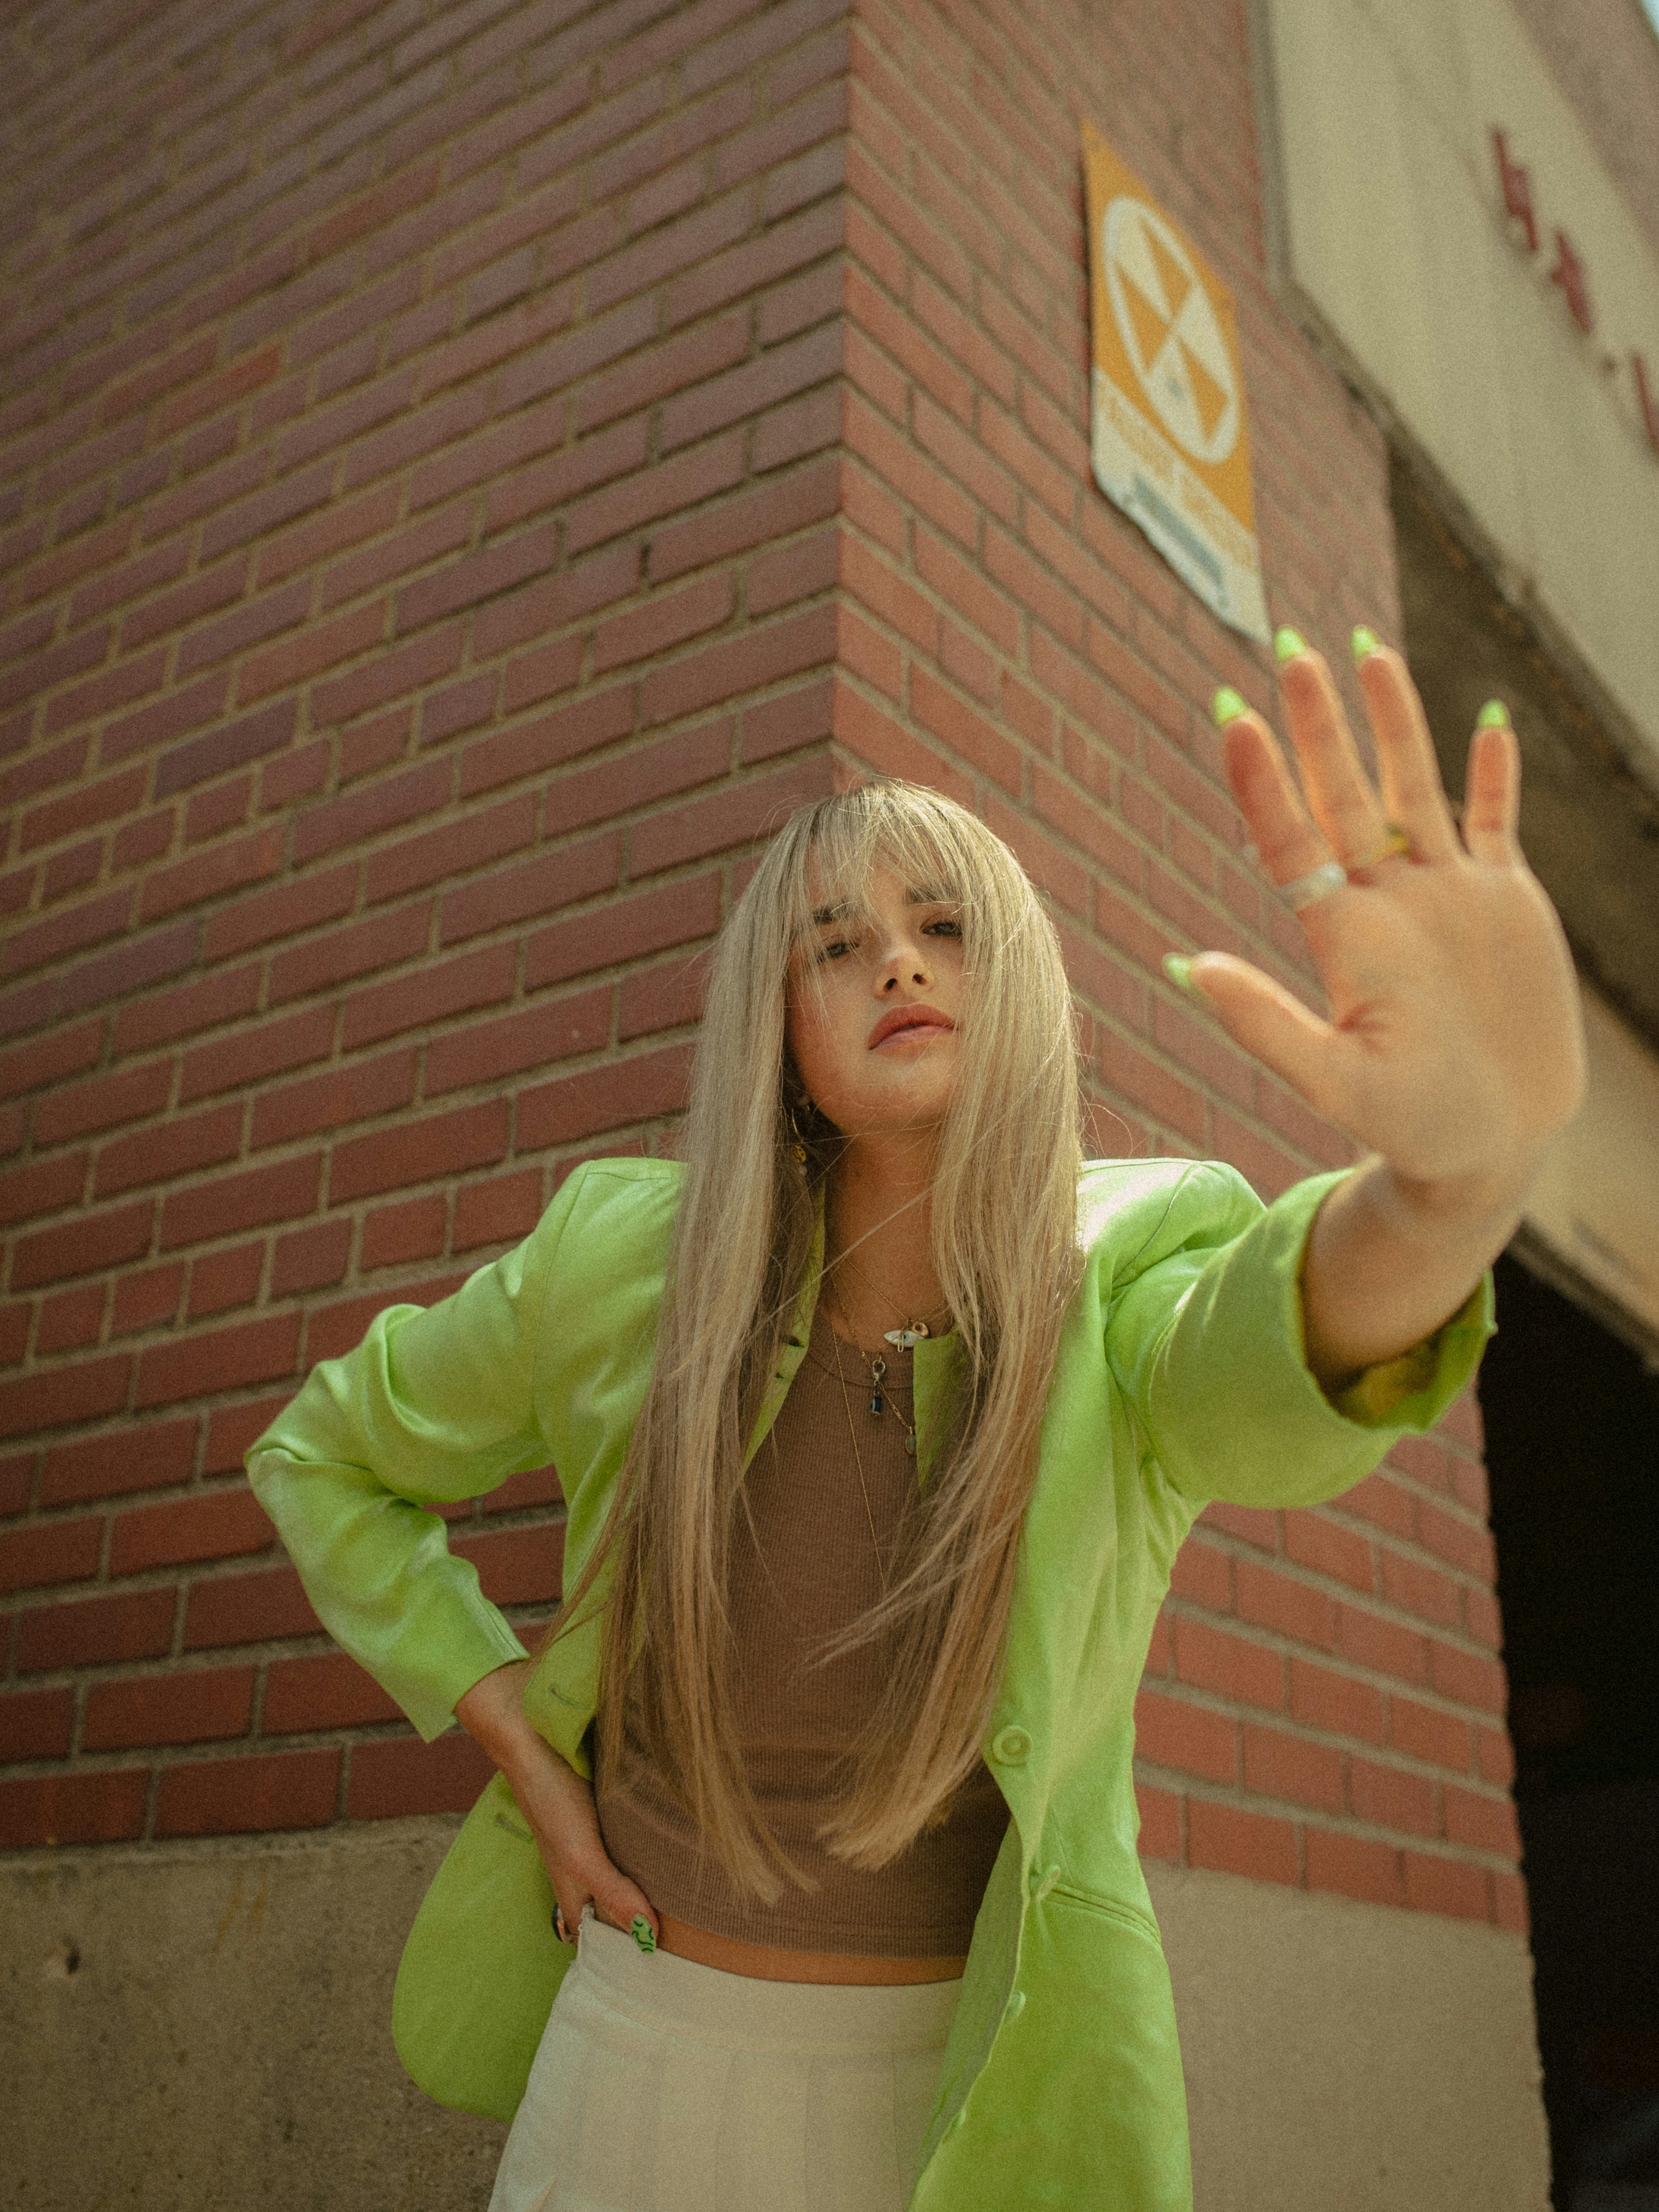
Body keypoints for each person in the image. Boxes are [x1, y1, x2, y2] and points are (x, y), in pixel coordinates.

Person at [247, 628, 1584, 2212]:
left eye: (946, 926)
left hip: (977, 2114)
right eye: (838, 943)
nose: (898, 960)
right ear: (781, 1034)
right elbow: (321, 1456)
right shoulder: (615, 1261)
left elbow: (1267, 1370)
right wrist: (514, 1737)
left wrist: (1449, 1193)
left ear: (1016, 980)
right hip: (629, 2054)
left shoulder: (1135, 1262)